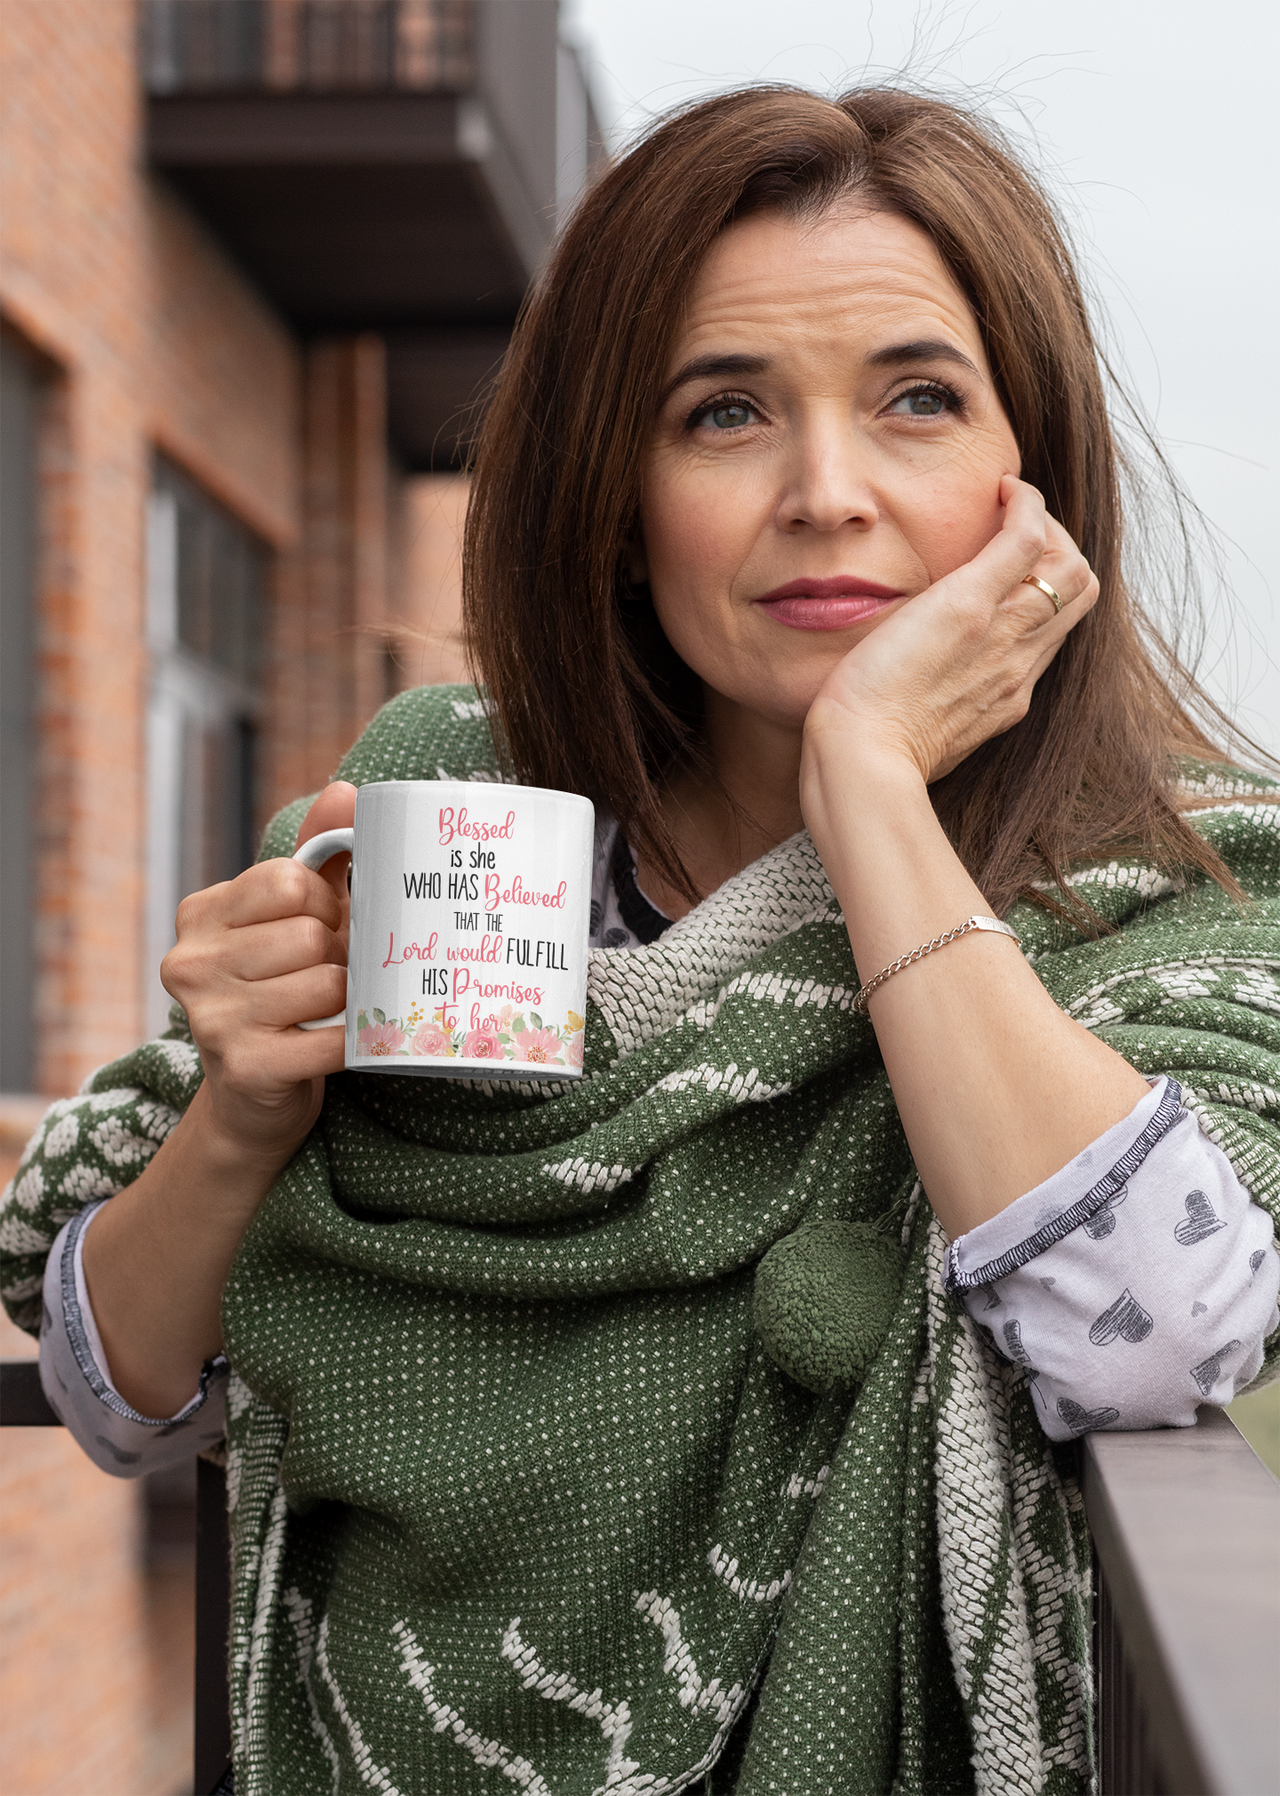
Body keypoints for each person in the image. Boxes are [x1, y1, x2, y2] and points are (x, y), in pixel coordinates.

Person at [4, 86, 1278, 1796]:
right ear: (619, 493)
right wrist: (244, 1113)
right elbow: (122, 1399)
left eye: (916, 400)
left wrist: (872, 790)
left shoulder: (1167, 888)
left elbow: (1158, 1331)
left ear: (1026, 477)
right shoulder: (448, 822)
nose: (828, 493)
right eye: (726, 412)